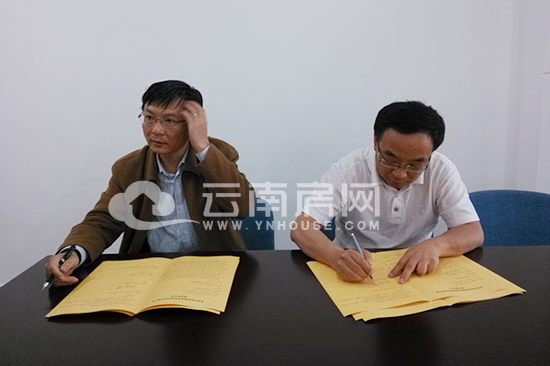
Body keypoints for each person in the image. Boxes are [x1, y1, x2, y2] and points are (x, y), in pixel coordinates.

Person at [45, 80, 253, 286]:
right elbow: (103, 220)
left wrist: (202, 147)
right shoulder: (130, 168)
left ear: (191, 124)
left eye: (169, 120)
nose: (156, 130)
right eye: (149, 118)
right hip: (151, 274)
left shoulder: (217, 155)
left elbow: (243, 206)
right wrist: (73, 251)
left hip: (212, 271)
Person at [291, 101, 483, 284]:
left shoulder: (441, 170)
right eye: (390, 160)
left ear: (430, 154)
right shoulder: (349, 170)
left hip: (416, 270)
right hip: (357, 269)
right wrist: (337, 257)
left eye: (415, 165)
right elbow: (301, 228)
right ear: (376, 142)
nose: (400, 174)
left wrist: (435, 246)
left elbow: (472, 231)